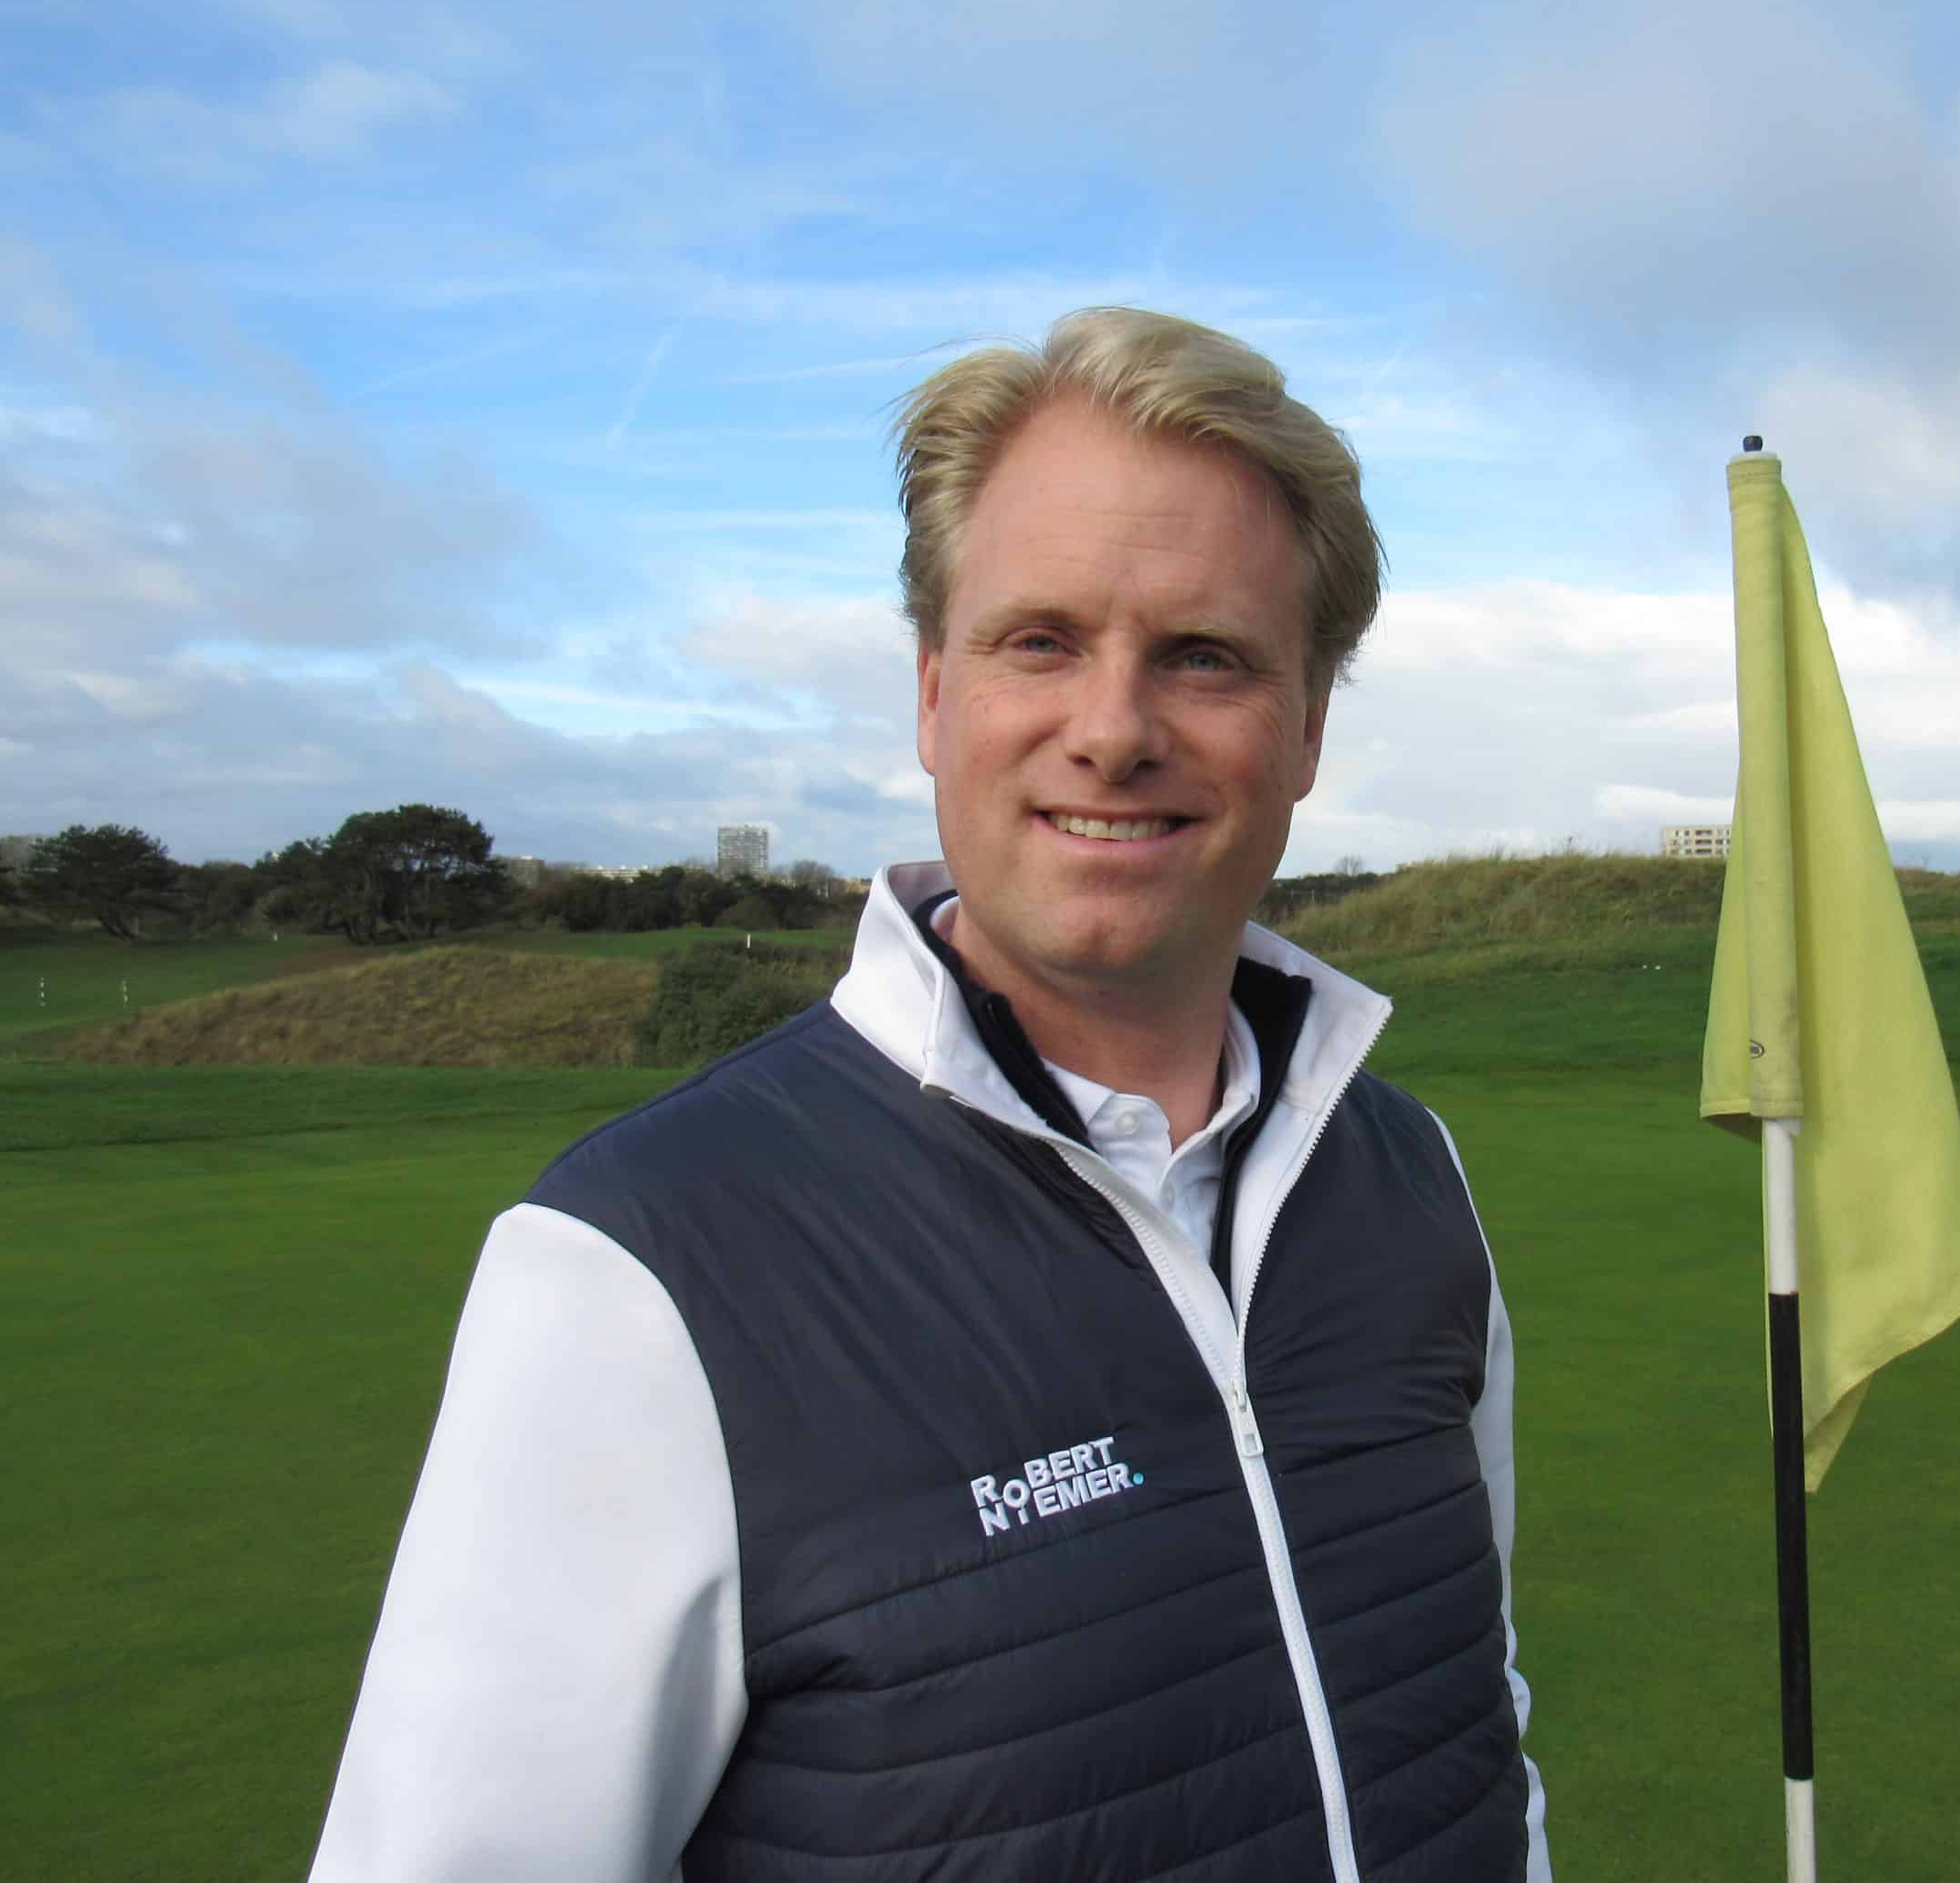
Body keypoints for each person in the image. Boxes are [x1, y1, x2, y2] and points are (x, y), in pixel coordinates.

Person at [311, 307, 1552, 1881]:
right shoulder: (637, 1266)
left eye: (1205, 657)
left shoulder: (1408, 1173)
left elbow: (1467, 1703)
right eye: (1040, 642)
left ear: (1306, 727)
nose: (1113, 731)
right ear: (931, 697)